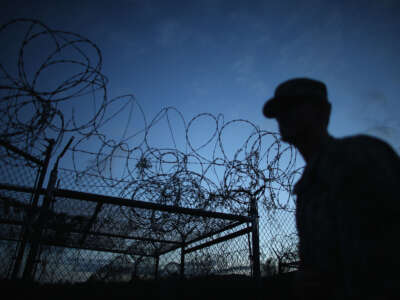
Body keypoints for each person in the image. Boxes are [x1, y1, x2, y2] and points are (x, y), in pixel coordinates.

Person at [262, 78, 400, 299]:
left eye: (294, 105)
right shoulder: (305, 189)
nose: (283, 115)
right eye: (279, 111)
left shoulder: (364, 153)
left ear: (323, 111)